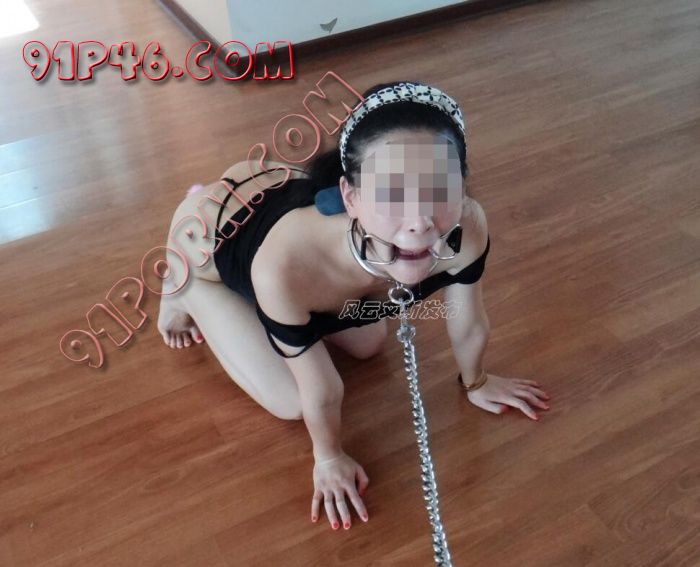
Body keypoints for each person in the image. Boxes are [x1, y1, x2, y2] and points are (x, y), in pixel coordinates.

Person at [157, 80, 551, 531]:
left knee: (368, 343)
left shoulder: (467, 225)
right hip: (207, 236)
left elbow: (467, 318)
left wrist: (476, 381)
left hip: (275, 189)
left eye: (440, 186)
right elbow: (322, 389)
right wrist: (328, 457)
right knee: (292, 402)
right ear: (350, 196)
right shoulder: (284, 266)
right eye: (392, 190)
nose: (420, 220)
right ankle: (180, 286)